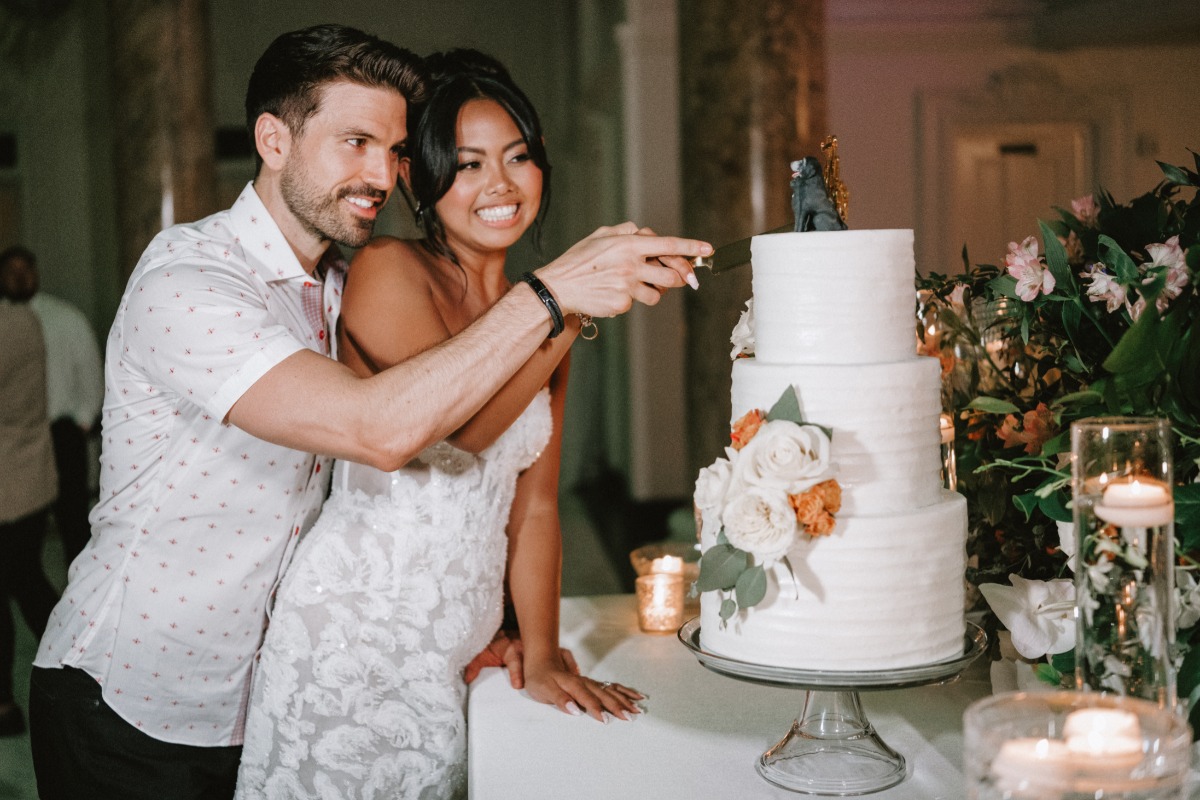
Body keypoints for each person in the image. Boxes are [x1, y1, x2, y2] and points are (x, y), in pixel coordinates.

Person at [29, 23, 708, 800]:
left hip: (269, 684)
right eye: (354, 141)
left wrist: (501, 629)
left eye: (391, 151)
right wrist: (556, 299)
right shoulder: (191, 280)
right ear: (272, 139)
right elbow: (384, 431)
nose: (380, 174)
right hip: (134, 698)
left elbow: (498, 484)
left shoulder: (337, 280)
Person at [234, 49, 642, 800]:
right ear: (421, 182)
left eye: (518, 158)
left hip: (460, 647)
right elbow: (461, 434)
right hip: (355, 634)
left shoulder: (543, 310)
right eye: (468, 165)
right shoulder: (392, 268)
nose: (500, 185)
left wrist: (544, 652)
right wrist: (565, 305)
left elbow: (538, 504)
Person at [0, 245, 105, 567]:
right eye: (12, 271)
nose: (20, 278)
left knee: (73, 527)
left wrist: (82, 422)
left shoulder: (65, 317)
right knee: (19, 546)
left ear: (36, 273)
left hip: (62, 434)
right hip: (15, 444)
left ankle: (81, 606)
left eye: (26, 270)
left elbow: (91, 373)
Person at [0, 298, 59, 738]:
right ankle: (72, 669)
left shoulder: (9, 326)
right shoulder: (22, 318)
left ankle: (5, 704)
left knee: (20, 586)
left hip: (10, 483)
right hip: (28, 477)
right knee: (27, 580)